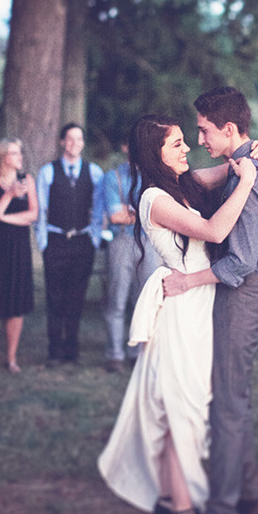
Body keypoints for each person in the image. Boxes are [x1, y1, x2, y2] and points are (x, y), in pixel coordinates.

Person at [98, 114, 258, 514]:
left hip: (198, 304)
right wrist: (247, 181)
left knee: (188, 406)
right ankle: (184, 511)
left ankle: (174, 499)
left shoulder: (183, 184)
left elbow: (227, 166)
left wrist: (253, 153)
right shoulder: (154, 199)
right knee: (181, 409)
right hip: (180, 310)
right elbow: (213, 230)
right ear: (155, 155)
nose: (188, 148)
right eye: (177, 144)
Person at [162, 87, 258, 514]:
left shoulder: (250, 180)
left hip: (243, 294)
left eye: (204, 130)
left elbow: (239, 262)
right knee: (236, 396)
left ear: (229, 128)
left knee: (226, 405)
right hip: (254, 290)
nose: (200, 139)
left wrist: (187, 282)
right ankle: (246, 492)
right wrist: (244, 156)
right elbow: (201, 180)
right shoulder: (252, 166)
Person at [35, 123, 104, 364]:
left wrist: (94, 238)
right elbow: (41, 210)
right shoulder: (48, 172)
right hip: (55, 241)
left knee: (77, 296)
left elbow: (99, 209)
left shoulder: (94, 172)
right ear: (62, 142)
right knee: (55, 296)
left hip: (83, 241)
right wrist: (43, 242)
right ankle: (54, 350)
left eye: (79, 139)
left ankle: (72, 349)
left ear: (83, 143)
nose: (74, 143)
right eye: (70, 139)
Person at [0, 138, 38, 373]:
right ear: (2, 156)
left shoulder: (27, 180)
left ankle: (12, 358)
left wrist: (4, 217)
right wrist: (9, 196)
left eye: (20, 152)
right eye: (14, 153)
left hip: (19, 249)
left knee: (16, 303)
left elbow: (33, 215)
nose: (20, 156)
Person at [102, 148, 161, 374]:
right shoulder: (113, 177)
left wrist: (131, 211)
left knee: (145, 300)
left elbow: (162, 212)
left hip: (150, 242)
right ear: (126, 150)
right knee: (116, 299)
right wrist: (145, 213)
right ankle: (115, 355)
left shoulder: (156, 176)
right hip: (122, 241)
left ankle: (139, 353)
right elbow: (115, 216)